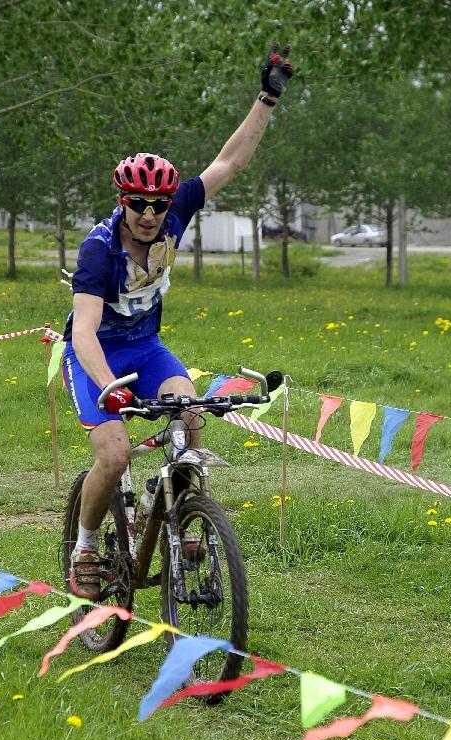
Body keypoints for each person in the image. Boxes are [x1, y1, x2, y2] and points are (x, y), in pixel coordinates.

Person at [63, 44, 293, 600]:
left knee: (190, 420)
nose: (148, 214)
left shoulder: (176, 212)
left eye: (157, 205)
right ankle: (87, 546)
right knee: (115, 454)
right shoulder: (100, 251)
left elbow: (230, 162)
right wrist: (108, 389)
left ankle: (171, 515)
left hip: (146, 348)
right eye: (137, 203)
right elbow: (85, 331)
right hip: (97, 358)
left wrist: (267, 97)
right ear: (123, 201)